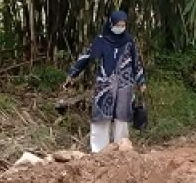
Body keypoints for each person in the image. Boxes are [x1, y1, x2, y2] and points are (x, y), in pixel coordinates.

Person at [63, 11, 147, 153]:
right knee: (101, 116)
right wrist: (72, 73)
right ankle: (98, 150)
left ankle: (121, 148)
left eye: (123, 25)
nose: (120, 28)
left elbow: (136, 63)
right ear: (111, 24)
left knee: (122, 117)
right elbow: (86, 57)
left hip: (124, 85)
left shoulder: (129, 41)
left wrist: (141, 81)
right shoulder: (101, 40)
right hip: (105, 85)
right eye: (117, 25)